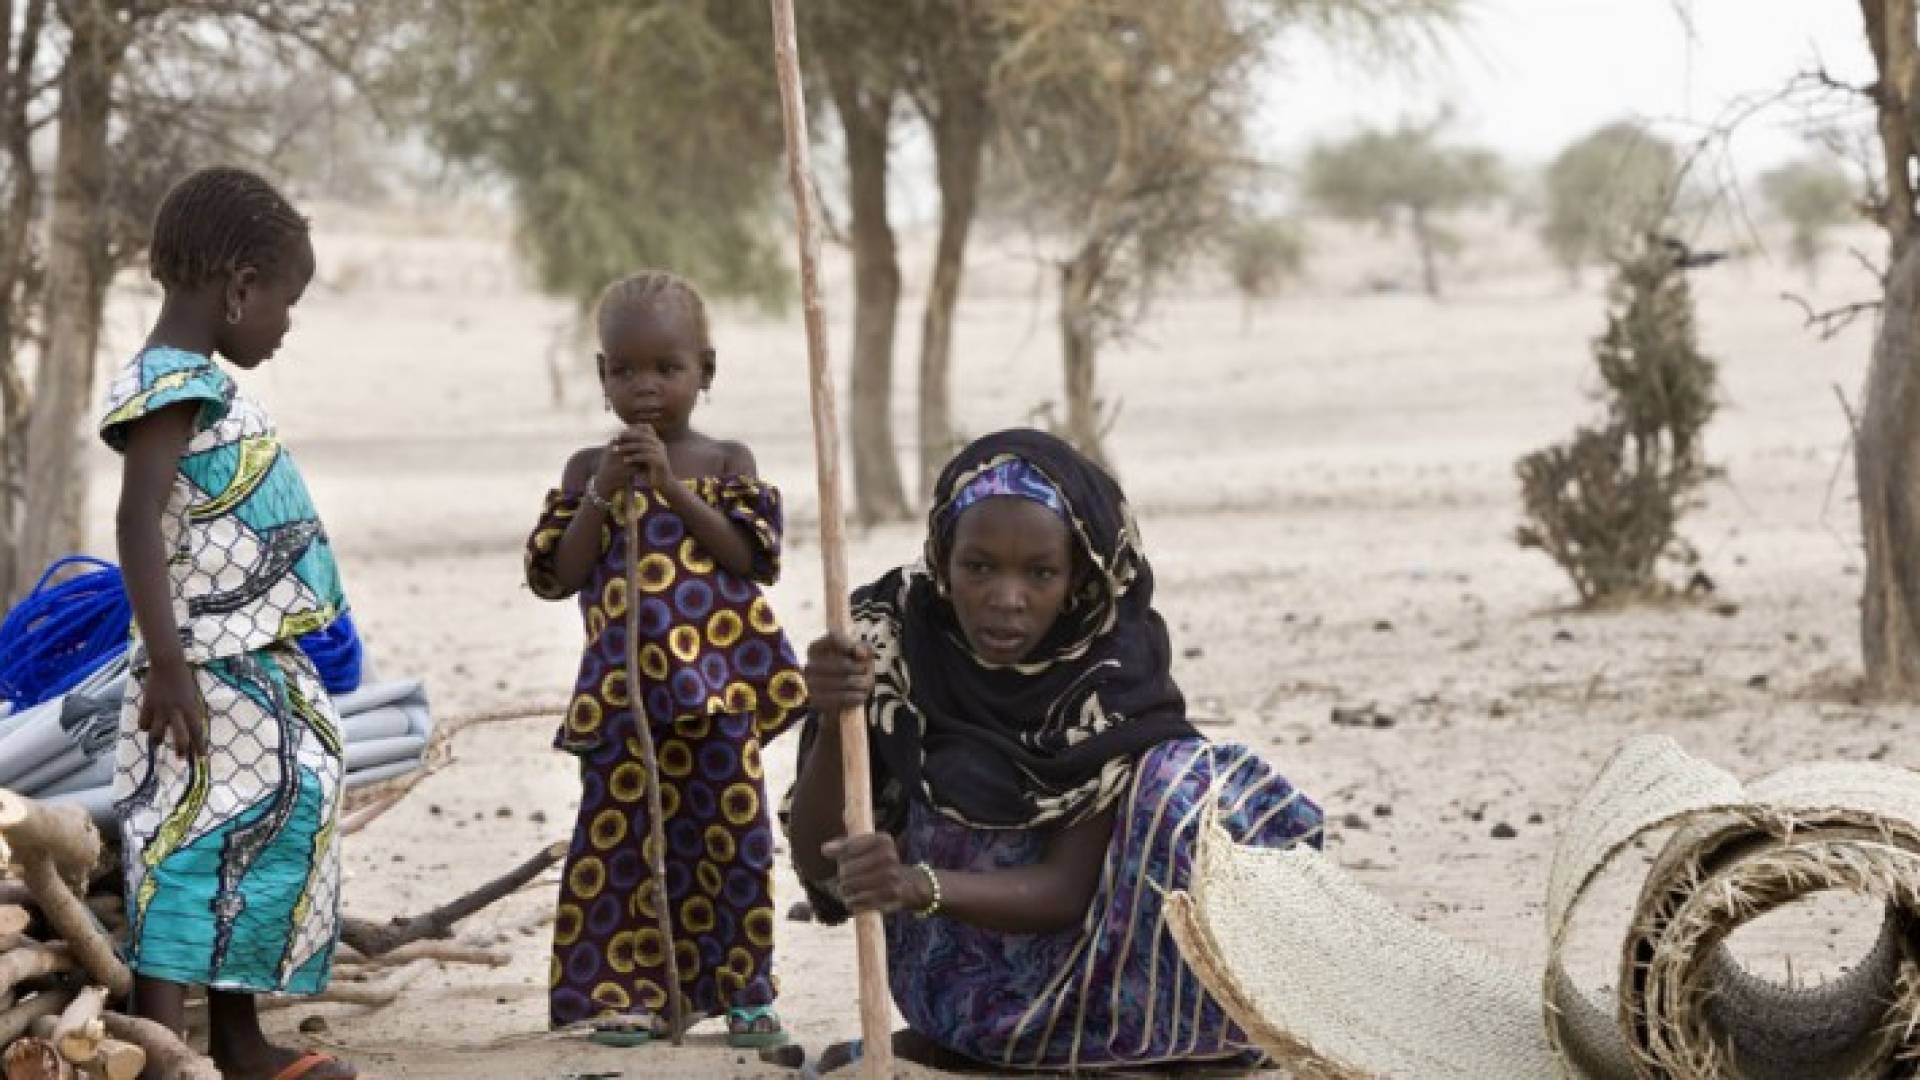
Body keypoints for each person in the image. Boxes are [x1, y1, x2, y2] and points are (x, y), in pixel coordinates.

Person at [788, 428, 1325, 1071]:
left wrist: (914, 884)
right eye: (978, 567)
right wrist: (834, 716)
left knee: (1185, 787)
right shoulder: (894, 640)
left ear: (1077, 579)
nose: (1005, 599)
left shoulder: (1108, 680)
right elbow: (819, 859)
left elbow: (1063, 891)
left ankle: (1138, 1047)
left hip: (1097, 993)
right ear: (943, 560)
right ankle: (965, 1042)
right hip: (949, 988)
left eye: (1039, 573)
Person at [101, 166, 354, 1080]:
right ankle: (164, 1049)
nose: (286, 325)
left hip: (246, 660)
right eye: (287, 303)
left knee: (264, 824)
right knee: (185, 847)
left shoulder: (197, 378)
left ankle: (239, 1041)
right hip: (201, 668)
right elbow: (136, 519)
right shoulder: (170, 384)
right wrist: (169, 667)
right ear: (241, 288)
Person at [525, 270, 805, 1048]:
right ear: (601, 375)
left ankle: (744, 992)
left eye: (667, 368)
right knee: (619, 846)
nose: (645, 386)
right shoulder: (588, 470)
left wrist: (673, 489)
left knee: (732, 841)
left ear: (705, 371)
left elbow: (752, 557)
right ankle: (627, 995)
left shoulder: (725, 460)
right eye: (625, 370)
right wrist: (604, 492)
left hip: (717, 696)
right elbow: (557, 575)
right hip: (623, 702)